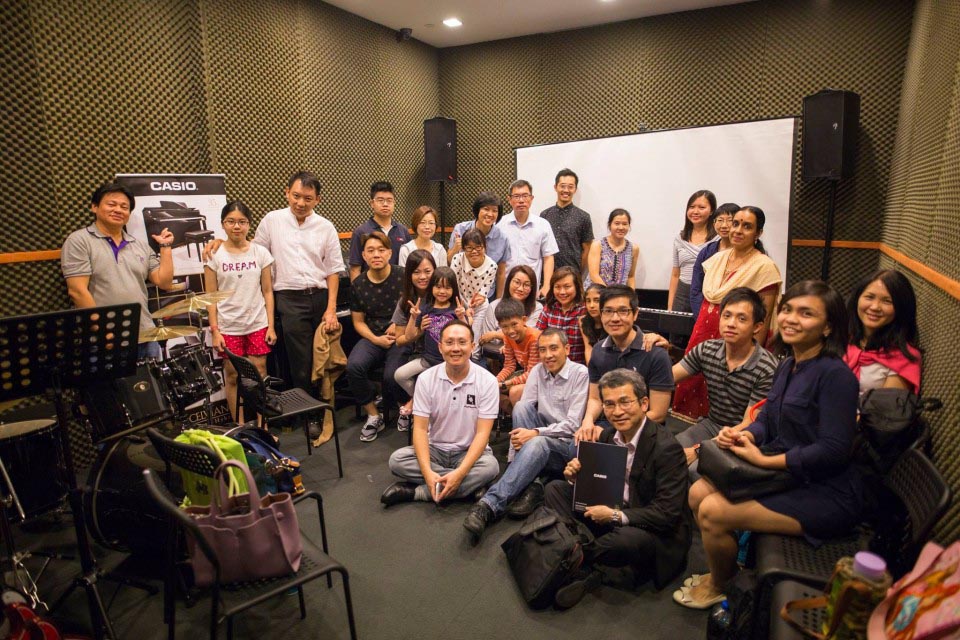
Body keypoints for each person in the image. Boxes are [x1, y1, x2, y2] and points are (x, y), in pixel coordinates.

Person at [677, 280, 862, 610]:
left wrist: (764, 462)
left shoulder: (837, 376)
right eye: (787, 310)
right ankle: (728, 571)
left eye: (806, 313)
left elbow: (834, 451)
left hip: (823, 490)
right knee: (697, 493)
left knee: (712, 511)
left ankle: (721, 583)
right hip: (787, 474)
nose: (791, 318)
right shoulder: (788, 364)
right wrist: (748, 435)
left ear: (828, 326)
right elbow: (767, 419)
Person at [544, 369, 691, 609]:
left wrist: (614, 516)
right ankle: (586, 558)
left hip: (648, 528)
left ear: (644, 404)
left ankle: (572, 554)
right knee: (554, 489)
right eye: (609, 404)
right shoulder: (609, 436)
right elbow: (598, 484)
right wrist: (576, 478)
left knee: (626, 541)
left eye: (625, 402)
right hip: (611, 509)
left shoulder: (667, 449)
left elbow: (666, 514)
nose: (617, 411)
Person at [462, 329, 589, 543]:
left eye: (553, 348)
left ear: (567, 349)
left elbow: (572, 426)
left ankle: (488, 505)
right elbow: (525, 414)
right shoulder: (538, 370)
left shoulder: (580, 373)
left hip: (567, 446)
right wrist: (517, 455)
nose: (547, 355)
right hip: (540, 436)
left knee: (538, 442)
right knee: (521, 407)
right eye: (542, 350)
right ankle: (531, 481)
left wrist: (536, 433)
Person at [646, 288, 778, 479]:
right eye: (727, 316)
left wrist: (699, 450)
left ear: (757, 327)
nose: (731, 323)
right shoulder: (707, 349)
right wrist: (658, 353)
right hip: (711, 424)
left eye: (741, 319)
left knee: (695, 470)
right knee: (665, 454)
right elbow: (667, 378)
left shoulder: (766, 368)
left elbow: (748, 425)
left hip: (742, 436)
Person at [672, 205, 781, 420]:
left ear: (758, 233)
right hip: (703, 335)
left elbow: (764, 318)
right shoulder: (717, 259)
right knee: (691, 392)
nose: (738, 230)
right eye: (735, 224)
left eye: (747, 226)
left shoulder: (764, 267)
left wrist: (752, 357)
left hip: (736, 343)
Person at [246, 171, 344, 397]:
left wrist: (331, 309)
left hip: (320, 297)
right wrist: (222, 243)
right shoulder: (272, 220)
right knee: (301, 361)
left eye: (308, 198)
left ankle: (326, 403)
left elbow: (333, 271)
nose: (301, 203)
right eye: (296, 196)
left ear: (318, 200)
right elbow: (254, 251)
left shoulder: (326, 226)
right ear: (287, 193)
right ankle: (308, 408)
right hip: (289, 299)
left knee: (325, 355)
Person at [381, 321, 500, 506]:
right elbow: (420, 430)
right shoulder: (426, 379)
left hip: (468, 452)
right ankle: (467, 488)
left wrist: (460, 472)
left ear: (472, 346)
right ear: (440, 347)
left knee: (491, 467)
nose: (455, 348)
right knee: (397, 460)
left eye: (462, 342)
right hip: (435, 450)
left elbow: (482, 434)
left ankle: (418, 492)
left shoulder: (488, 381)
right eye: (449, 342)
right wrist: (428, 473)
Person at [62, 182, 175, 360]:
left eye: (124, 207)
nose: (118, 210)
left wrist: (166, 246)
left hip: (145, 335)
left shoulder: (139, 245)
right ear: (94, 207)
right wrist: (104, 333)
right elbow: (77, 291)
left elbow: (164, 282)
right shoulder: (79, 241)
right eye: (111, 204)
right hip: (104, 340)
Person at [204, 201, 277, 422]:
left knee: (260, 373)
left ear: (249, 225)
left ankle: (263, 426)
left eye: (242, 222)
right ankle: (240, 426)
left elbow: (267, 291)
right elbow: (210, 297)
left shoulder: (260, 252)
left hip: (257, 322)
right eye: (231, 221)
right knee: (232, 375)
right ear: (223, 224)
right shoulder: (214, 255)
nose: (237, 226)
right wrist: (215, 330)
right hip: (228, 326)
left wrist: (271, 326)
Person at [576, 285, 674, 444]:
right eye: (608, 311)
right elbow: (595, 398)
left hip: (642, 432)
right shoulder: (598, 350)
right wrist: (587, 421)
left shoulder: (656, 354)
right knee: (577, 446)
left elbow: (658, 414)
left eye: (623, 311)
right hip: (606, 423)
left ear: (635, 314)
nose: (615, 318)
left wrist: (609, 433)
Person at [346, 231, 407, 442]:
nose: (376, 255)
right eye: (370, 251)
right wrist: (375, 339)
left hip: (400, 335)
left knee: (393, 375)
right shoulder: (358, 284)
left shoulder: (403, 276)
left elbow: (415, 308)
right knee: (353, 367)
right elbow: (358, 322)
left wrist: (397, 325)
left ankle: (403, 407)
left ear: (390, 252)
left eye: (381, 250)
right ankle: (373, 415)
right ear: (363, 255)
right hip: (373, 336)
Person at [394, 267, 470, 426]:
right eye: (438, 286)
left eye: (447, 287)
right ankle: (419, 398)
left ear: (453, 289)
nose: (442, 291)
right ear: (431, 287)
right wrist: (414, 318)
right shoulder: (425, 307)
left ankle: (424, 406)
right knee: (400, 375)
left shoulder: (456, 309)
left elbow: (468, 334)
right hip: (428, 360)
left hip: (450, 364)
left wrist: (462, 316)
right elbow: (409, 336)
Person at [844, 269, 922, 393]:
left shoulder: (904, 357)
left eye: (887, 301)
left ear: (901, 308)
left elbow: (886, 404)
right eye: (869, 297)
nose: (875, 307)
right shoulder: (841, 338)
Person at [390, 250, 437, 431]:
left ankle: (415, 403)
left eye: (427, 271)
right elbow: (400, 340)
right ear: (409, 274)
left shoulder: (442, 292)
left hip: (445, 355)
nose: (422, 276)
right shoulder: (406, 301)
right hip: (420, 354)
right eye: (416, 272)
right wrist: (419, 330)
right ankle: (420, 402)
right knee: (396, 375)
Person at [497, 179, 558, 299]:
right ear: (509, 199)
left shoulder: (543, 225)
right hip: (506, 290)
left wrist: (547, 285)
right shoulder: (499, 225)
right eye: (516, 196)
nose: (521, 200)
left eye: (525, 196)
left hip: (531, 290)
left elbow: (548, 257)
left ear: (531, 198)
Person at [448, 192, 512, 298]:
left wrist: (498, 300)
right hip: (460, 293)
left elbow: (501, 273)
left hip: (487, 295)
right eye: (486, 209)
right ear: (478, 210)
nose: (490, 214)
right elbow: (449, 261)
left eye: (494, 210)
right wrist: (456, 248)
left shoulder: (502, 238)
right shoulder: (460, 229)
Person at [348, 181, 412, 281]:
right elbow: (355, 269)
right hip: (370, 287)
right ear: (372, 203)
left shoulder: (403, 230)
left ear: (394, 203)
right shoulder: (361, 232)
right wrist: (357, 289)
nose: (385, 204)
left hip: (399, 286)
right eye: (380, 200)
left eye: (389, 200)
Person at [450, 229, 498, 360]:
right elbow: (453, 285)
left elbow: (483, 293)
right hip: (458, 303)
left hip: (479, 306)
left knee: (474, 345)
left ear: (484, 246)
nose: (474, 251)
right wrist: (464, 309)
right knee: (459, 336)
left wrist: (472, 307)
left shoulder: (492, 266)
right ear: (463, 248)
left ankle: (473, 365)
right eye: (469, 248)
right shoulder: (457, 259)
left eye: (478, 247)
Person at [669, 190, 716, 313]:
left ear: (712, 210)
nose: (695, 211)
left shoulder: (719, 240)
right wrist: (670, 307)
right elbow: (675, 274)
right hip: (682, 294)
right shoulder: (680, 238)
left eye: (701, 207)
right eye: (691, 207)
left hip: (706, 294)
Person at [539, 168, 594, 276]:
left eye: (570, 187)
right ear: (555, 187)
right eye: (562, 186)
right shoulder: (544, 215)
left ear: (575, 189)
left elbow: (587, 250)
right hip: (547, 275)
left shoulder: (584, 217)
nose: (566, 190)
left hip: (572, 275)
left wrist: (579, 274)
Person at [689, 202, 738, 321]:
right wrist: (703, 315)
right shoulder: (706, 252)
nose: (724, 225)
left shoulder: (744, 254)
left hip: (734, 315)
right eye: (720, 220)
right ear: (714, 223)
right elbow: (696, 289)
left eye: (730, 221)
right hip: (706, 313)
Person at [493, 299, 541, 413]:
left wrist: (507, 383)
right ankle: (513, 414)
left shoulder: (534, 338)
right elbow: (509, 366)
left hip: (541, 378)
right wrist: (495, 381)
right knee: (491, 389)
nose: (510, 331)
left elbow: (532, 373)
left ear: (524, 320)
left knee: (514, 391)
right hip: (526, 374)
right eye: (505, 326)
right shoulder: (507, 337)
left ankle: (519, 419)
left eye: (514, 324)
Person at [477, 265, 543, 348]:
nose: (520, 289)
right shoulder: (494, 306)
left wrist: (496, 335)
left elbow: (528, 336)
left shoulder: (537, 308)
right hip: (494, 353)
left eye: (526, 285)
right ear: (509, 282)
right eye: (517, 282)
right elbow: (486, 338)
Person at [536, 266, 587, 364]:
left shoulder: (585, 309)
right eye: (557, 287)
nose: (562, 292)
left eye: (567, 287)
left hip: (578, 366)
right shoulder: (549, 308)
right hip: (552, 365)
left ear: (577, 287)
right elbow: (538, 337)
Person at [585, 209, 639, 289]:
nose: (621, 227)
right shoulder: (597, 245)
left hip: (619, 294)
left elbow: (631, 276)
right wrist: (610, 294)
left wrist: (631, 294)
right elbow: (594, 275)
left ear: (629, 226)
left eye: (625, 224)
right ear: (610, 225)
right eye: (617, 223)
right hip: (596, 293)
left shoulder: (634, 249)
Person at [580, 283, 607, 364]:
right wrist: (591, 369)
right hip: (593, 364)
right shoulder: (582, 321)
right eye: (588, 301)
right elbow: (588, 348)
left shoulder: (611, 321)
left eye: (597, 300)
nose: (591, 305)